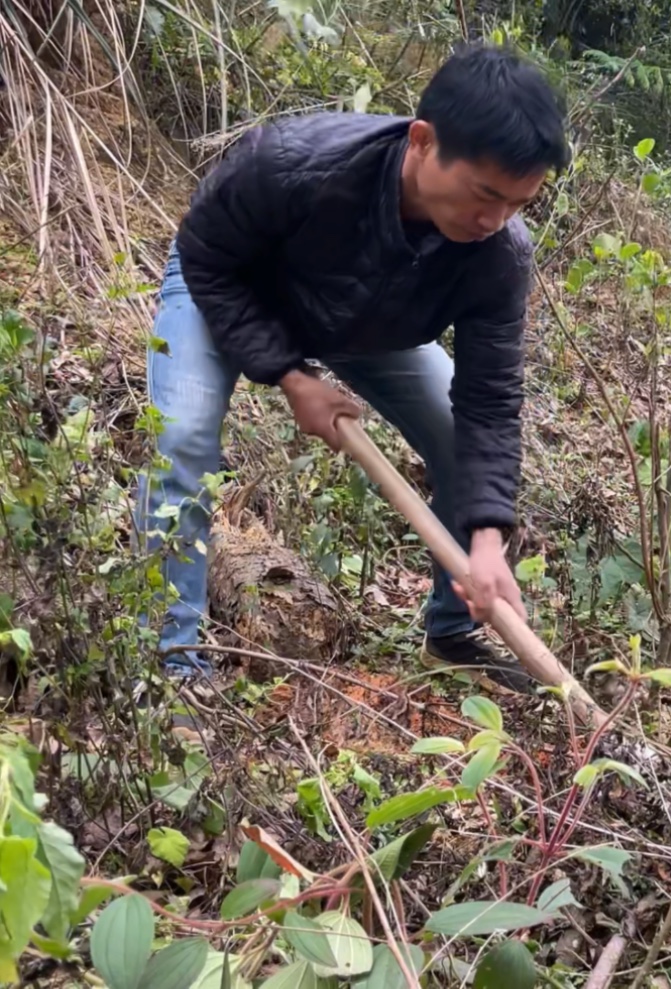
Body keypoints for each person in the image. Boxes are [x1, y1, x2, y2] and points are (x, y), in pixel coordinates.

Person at [134, 42, 569, 694]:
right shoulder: (294, 163)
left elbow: (489, 399)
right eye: (485, 194)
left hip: (367, 326)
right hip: (231, 288)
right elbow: (207, 256)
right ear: (423, 141)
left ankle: (452, 632)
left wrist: (485, 537)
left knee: (457, 437)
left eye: (517, 203)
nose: (495, 219)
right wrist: (289, 373)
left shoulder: (498, 253)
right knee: (184, 437)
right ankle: (175, 665)